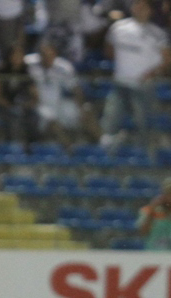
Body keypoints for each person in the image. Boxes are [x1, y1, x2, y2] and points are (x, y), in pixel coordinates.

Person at [99, 0, 171, 149]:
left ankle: (145, 155)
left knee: (145, 123)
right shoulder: (118, 28)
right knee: (110, 121)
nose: (138, 8)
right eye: (136, 4)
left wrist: (152, 73)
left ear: (149, 10)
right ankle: (106, 155)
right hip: (120, 84)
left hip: (143, 87)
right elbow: (109, 50)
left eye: (143, 6)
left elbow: (167, 59)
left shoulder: (157, 33)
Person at [137, 177, 171, 251]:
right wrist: (151, 212)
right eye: (169, 193)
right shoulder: (148, 210)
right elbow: (143, 232)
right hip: (153, 253)